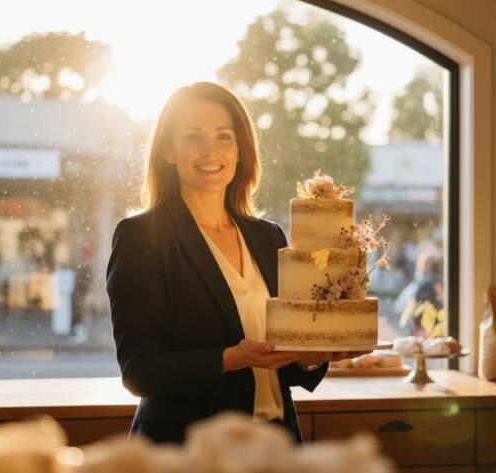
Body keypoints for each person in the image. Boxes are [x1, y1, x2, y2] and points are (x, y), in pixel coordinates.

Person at [106, 82, 362, 445]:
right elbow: (139, 370)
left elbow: (286, 364)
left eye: (224, 136)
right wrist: (232, 358)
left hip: (274, 447)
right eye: (193, 137)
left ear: (240, 150)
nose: (210, 150)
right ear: (168, 151)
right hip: (186, 452)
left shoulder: (268, 236)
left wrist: (310, 356)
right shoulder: (141, 236)